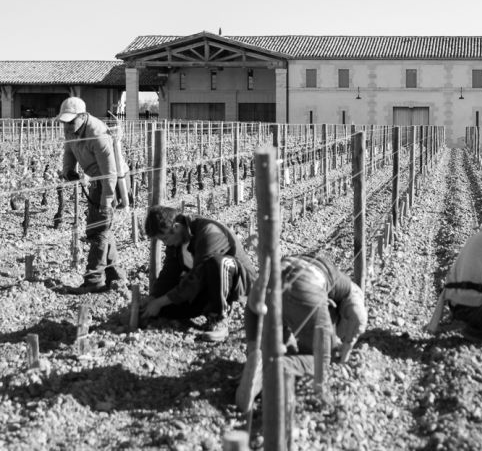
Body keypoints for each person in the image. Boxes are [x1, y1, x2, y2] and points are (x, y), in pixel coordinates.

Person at [236, 252, 367, 412]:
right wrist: (347, 342)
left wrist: (253, 345)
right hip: (304, 288)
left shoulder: (312, 263)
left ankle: (257, 357)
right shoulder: (345, 287)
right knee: (322, 363)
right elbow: (356, 312)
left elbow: (252, 309)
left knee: (279, 342)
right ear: (335, 307)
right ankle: (277, 367)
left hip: (265, 283)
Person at [142, 205, 256, 342]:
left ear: (176, 227)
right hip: (204, 285)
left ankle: (218, 319)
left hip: (235, 282)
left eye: (165, 238)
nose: (166, 243)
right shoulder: (176, 242)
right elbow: (169, 273)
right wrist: (154, 297)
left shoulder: (209, 231)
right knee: (163, 311)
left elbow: (198, 276)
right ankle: (206, 308)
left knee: (217, 263)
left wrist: (160, 301)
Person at [55, 97, 127, 294]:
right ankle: (115, 275)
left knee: (98, 229)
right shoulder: (71, 129)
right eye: (64, 122)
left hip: (111, 181)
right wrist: (68, 170)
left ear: (83, 116)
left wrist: (107, 200)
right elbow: (69, 150)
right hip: (96, 178)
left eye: (70, 121)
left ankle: (93, 280)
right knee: (103, 228)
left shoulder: (98, 133)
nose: (67, 126)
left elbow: (110, 172)